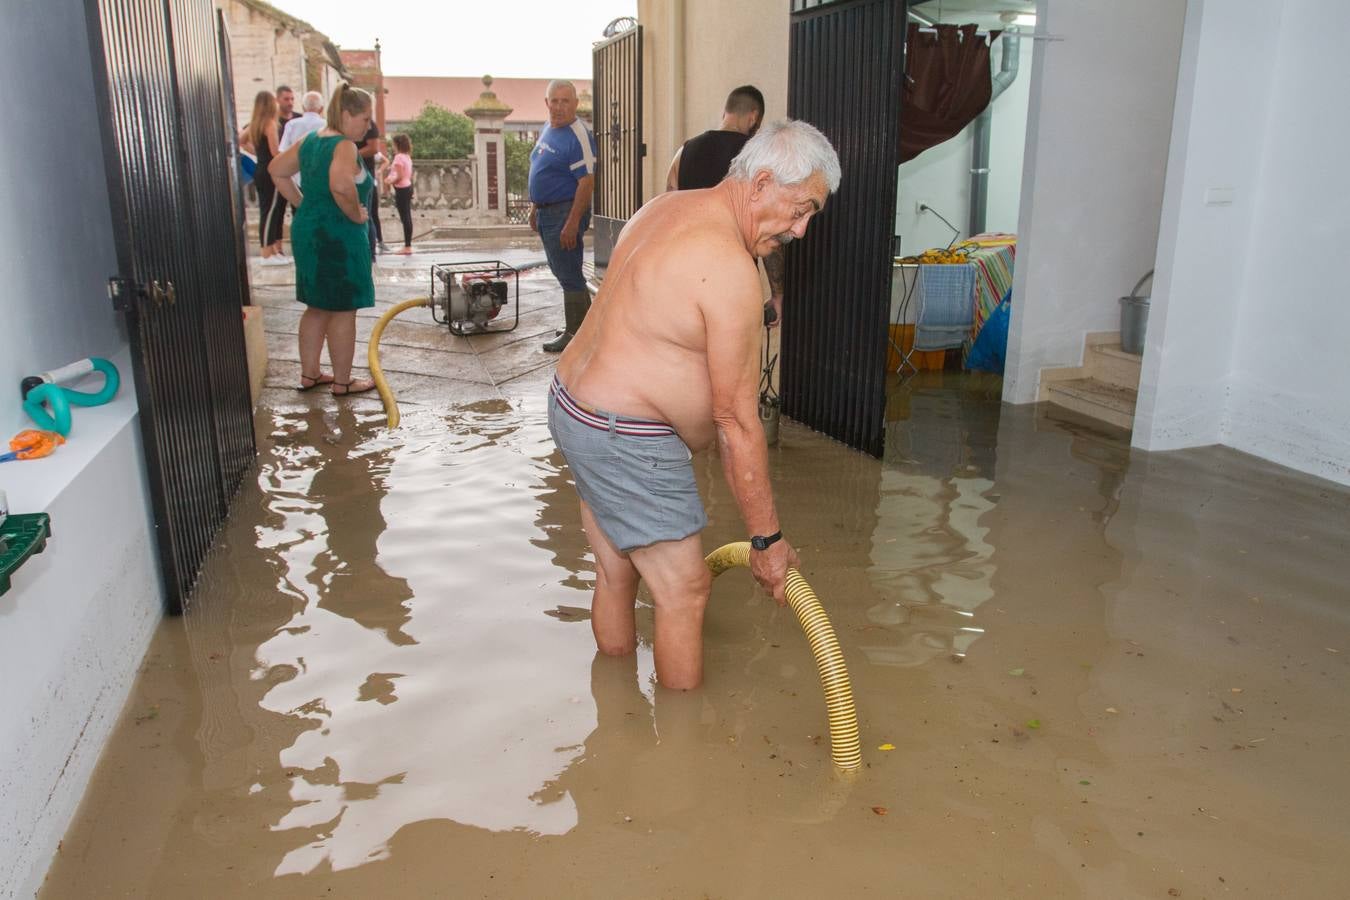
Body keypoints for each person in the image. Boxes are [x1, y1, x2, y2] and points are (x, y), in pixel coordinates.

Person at [548, 120, 840, 690]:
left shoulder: (664, 207)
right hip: (624, 435)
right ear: (761, 183)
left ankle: (616, 712)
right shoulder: (729, 268)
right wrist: (767, 541)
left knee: (615, 570)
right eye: (801, 209)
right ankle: (681, 737)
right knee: (684, 591)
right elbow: (737, 423)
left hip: (573, 407)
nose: (801, 230)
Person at [268, 82, 378, 397]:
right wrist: (355, 215)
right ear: (346, 114)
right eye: (365, 119)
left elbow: (276, 170)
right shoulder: (344, 146)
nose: (368, 126)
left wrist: (304, 204)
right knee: (343, 308)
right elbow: (341, 186)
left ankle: (311, 374)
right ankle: (343, 382)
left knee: (316, 306)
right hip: (337, 237)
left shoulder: (310, 139)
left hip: (308, 230)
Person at [666, 85, 786, 328]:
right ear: (754, 117)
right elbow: (769, 234)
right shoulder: (759, 160)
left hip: (689, 280)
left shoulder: (684, 152)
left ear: (725, 112)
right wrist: (777, 294)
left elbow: (669, 214)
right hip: (736, 284)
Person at [528, 79, 597, 352]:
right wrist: (535, 207)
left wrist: (572, 223)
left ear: (575, 104)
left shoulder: (578, 135)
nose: (558, 107)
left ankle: (574, 334)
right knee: (562, 269)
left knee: (569, 272)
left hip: (565, 211)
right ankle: (585, 329)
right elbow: (542, 167)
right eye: (554, 101)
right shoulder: (549, 128)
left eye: (565, 101)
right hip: (547, 210)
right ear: (547, 103)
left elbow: (586, 183)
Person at [240, 90, 288, 264]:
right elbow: (275, 152)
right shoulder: (270, 124)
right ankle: (267, 253)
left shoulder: (255, 124)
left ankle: (272, 250)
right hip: (270, 171)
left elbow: (241, 140)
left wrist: (257, 153)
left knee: (268, 210)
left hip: (260, 168)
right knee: (270, 211)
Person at [278, 90, 325, 186]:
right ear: (321, 109)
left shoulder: (291, 124)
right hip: (322, 177)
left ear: (303, 107)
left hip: (296, 178)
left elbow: (282, 151)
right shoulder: (327, 125)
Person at [384, 134, 415, 255]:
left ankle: (407, 246)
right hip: (408, 186)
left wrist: (389, 181)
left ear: (397, 144)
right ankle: (408, 245)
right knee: (407, 216)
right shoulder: (407, 157)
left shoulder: (398, 158)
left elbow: (399, 176)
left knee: (405, 217)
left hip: (401, 189)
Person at [356, 120, 382, 259]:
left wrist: (350, 154)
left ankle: (370, 254)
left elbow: (373, 148)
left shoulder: (368, 123)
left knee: (367, 214)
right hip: (349, 172)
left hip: (364, 172)